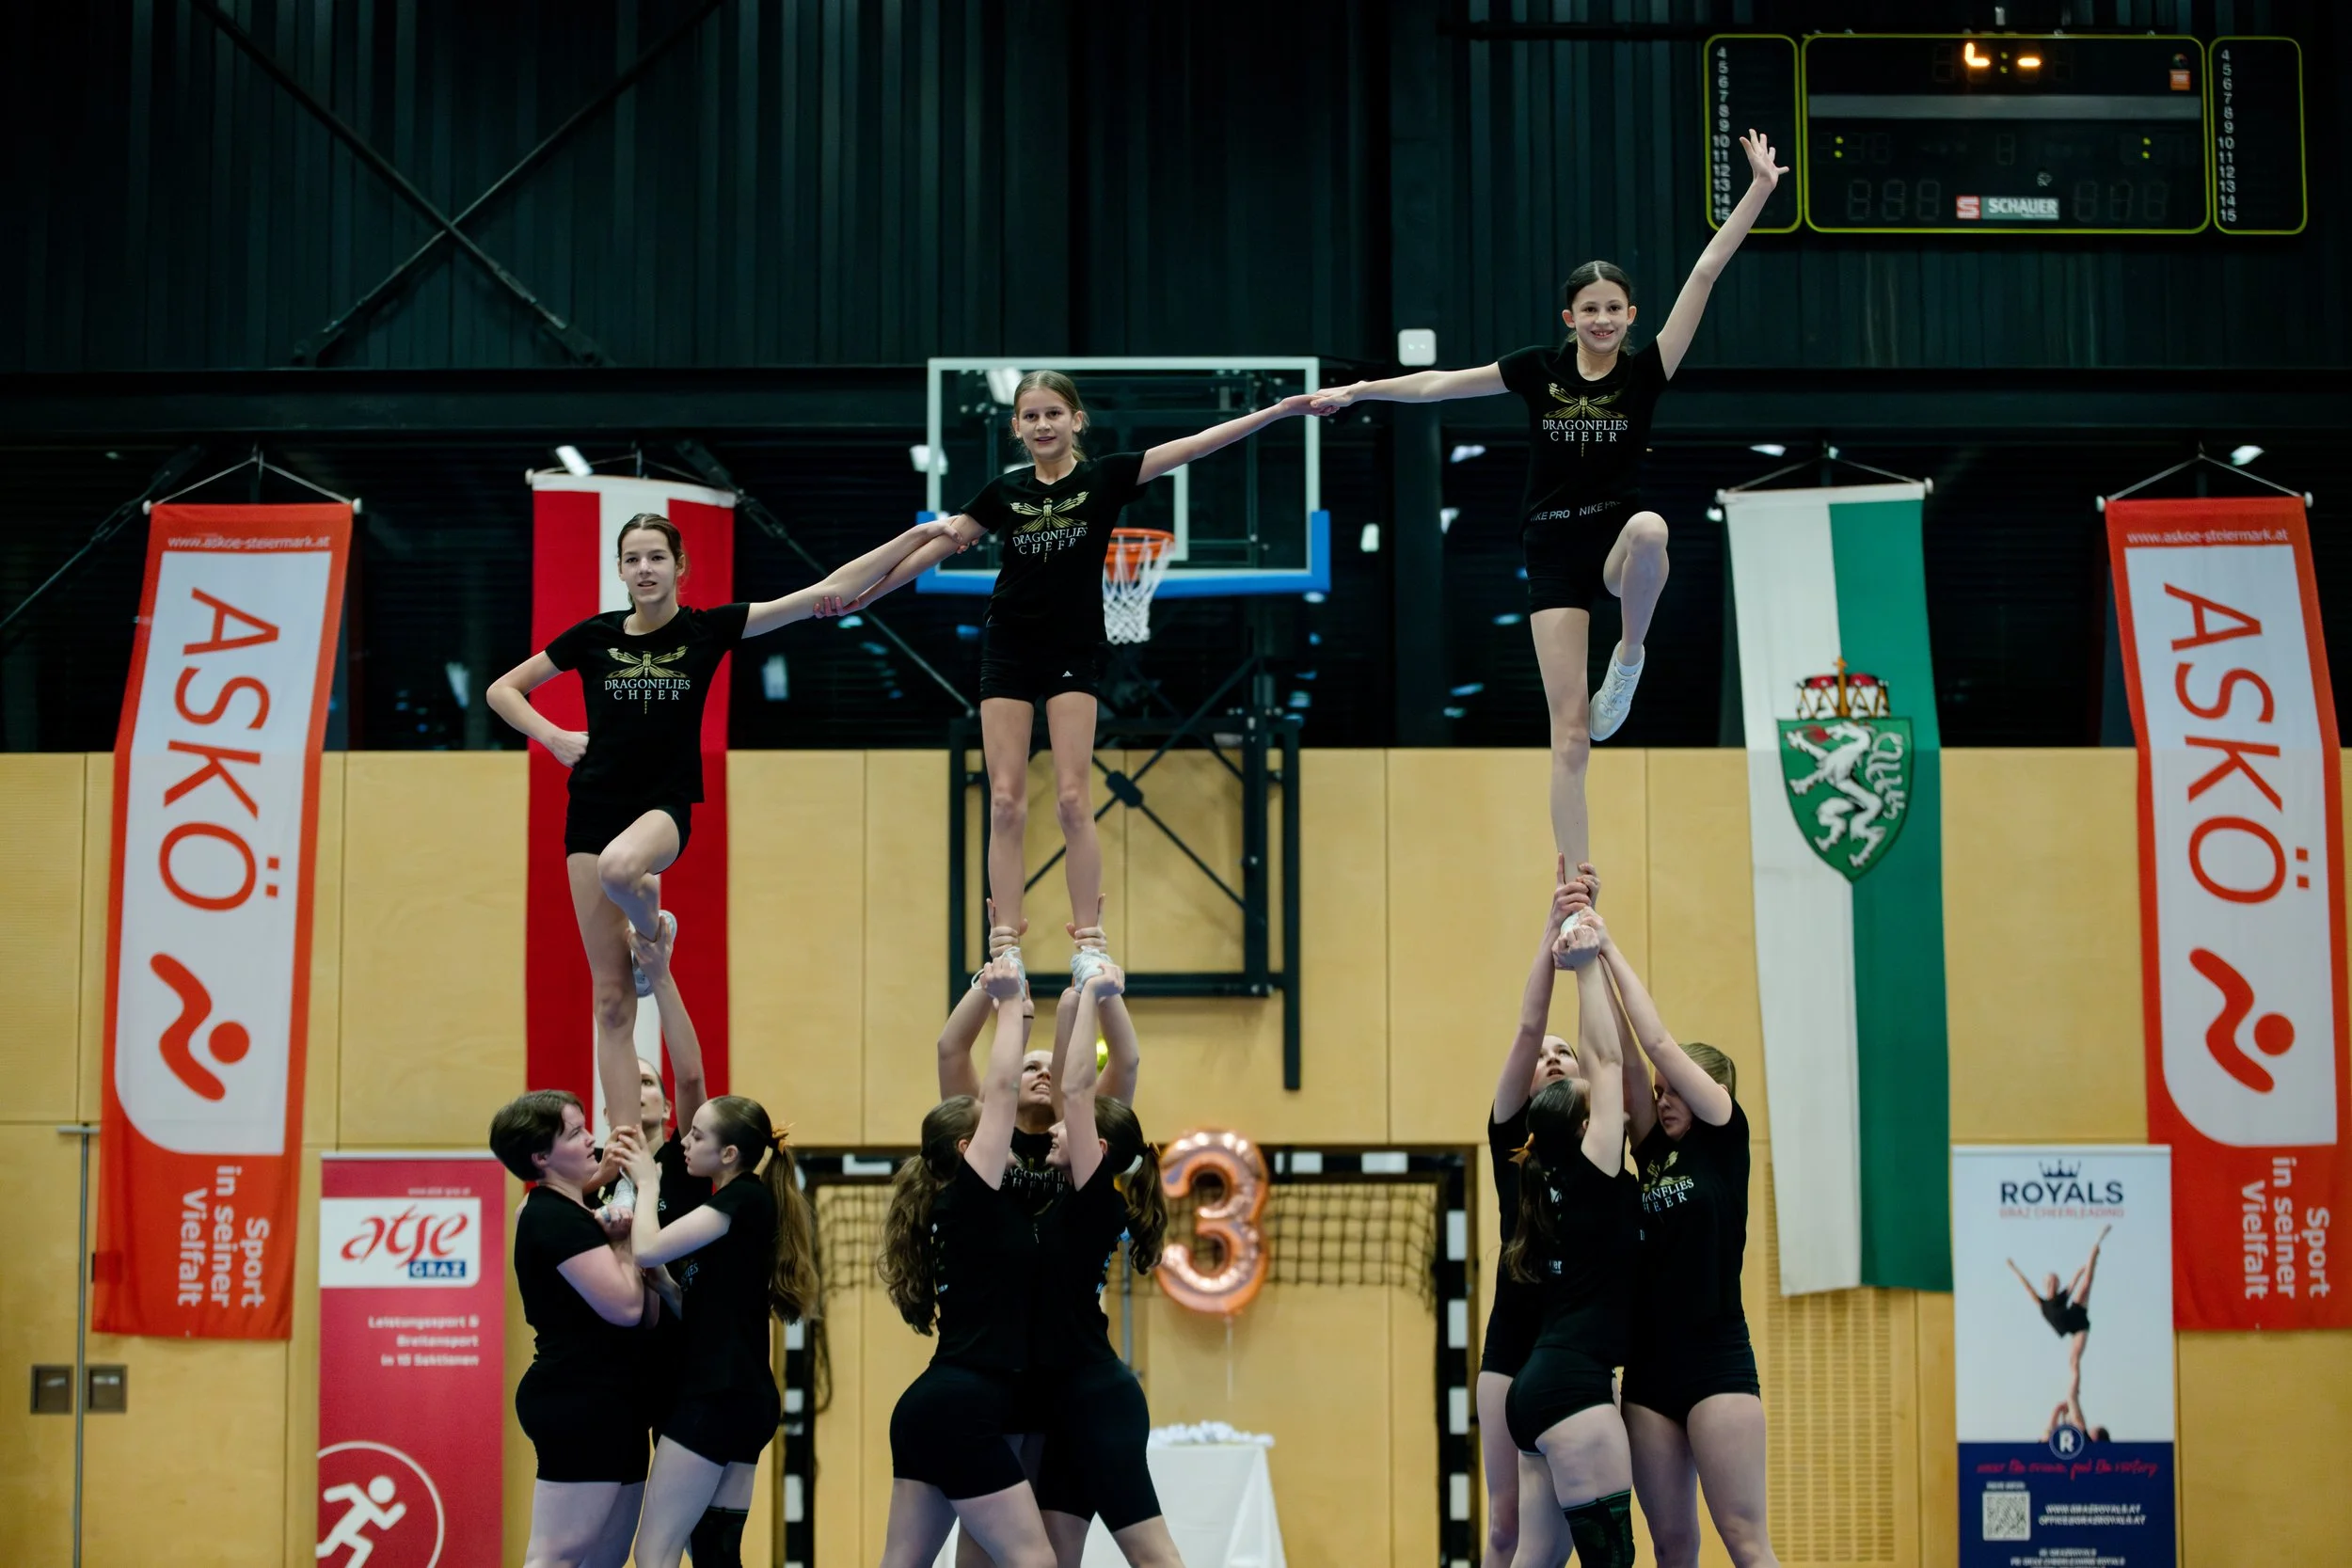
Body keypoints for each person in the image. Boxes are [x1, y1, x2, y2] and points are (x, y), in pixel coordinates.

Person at [1309, 131, 1788, 864]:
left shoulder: (1648, 371)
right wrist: (1359, 390)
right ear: (1570, 317)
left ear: (1632, 315)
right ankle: (1576, 883)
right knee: (1569, 736)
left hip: (1616, 541)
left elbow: (1705, 271)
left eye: (1614, 308)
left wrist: (1757, 189)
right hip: (1553, 550)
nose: (1602, 319)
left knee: (1654, 528)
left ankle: (1629, 655)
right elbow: (1438, 384)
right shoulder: (1538, 370)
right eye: (1589, 308)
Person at [486, 511, 951, 1161]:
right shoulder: (592, 637)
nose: (644, 569)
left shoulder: (708, 629)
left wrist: (918, 536)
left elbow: (828, 592)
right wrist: (553, 736)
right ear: (619, 570)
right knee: (612, 1002)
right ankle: (628, 1155)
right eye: (632, 559)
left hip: (662, 806)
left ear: (679, 566)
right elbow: (502, 690)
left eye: (656, 557)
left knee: (621, 869)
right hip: (591, 807)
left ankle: (651, 930)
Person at [830, 372, 1319, 986]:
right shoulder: (1003, 492)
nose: (1043, 425)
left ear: (1076, 420)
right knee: (1004, 800)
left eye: (1054, 413)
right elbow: (935, 549)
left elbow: (1195, 446)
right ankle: (1004, 941)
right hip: (1009, 646)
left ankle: (1089, 939)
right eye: (1031, 416)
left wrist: (1276, 411)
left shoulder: (1105, 478)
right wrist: (865, 597)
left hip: (1072, 647)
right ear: (1016, 427)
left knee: (1070, 798)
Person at [875, 955, 1057, 1568]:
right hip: (963, 1406)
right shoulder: (974, 1191)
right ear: (967, 1146)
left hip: (937, 1403)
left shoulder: (965, 1200)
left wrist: (1017, 1010)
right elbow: (997, 1088)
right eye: (991, 1128)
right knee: (1035, 1561)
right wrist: (1006, 1003)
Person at [1609, 927, 1775, 1567]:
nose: (1662, 1099)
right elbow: (1628, 1057)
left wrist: (1609, 945)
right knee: (1672, 1546)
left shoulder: (1725, 1139)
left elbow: (1655, 1042)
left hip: (1716, 1360)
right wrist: (1588, 963)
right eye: (1659, 1092)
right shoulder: (1653, 1151)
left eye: (1674, 1088)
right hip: (1649, 1371)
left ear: (1709, 1091)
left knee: (1744, 1539)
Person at [617, 1095, 819, 1568]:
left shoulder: (742, 1196)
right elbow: (714, 1309)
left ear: (729, 1154)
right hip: (742, 1398)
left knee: (653, 1552)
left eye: (697, 1135)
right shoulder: (743, 1202)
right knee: (715, 1552)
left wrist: (647, 1182)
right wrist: (668, 1289)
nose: (685, 1143)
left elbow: (646, 1247)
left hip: (717, 1398)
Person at [1030, 962, 1184, 1566]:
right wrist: (1071, 1001)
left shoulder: (1097, 1200)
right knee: (1055, 1555)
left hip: (1095, 1400)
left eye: (1067, 1127)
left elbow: (1078, 1090)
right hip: (1063, 1400)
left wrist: (1097, 987)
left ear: (1096, 1149)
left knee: (1151, 1554)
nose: (1053, 1130)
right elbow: (1067, 1091)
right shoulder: (1068, 1193)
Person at [1501, 899, 1636, 1568]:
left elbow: (1601, 1072)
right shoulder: (1594, 1170)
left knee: (1537, 1558)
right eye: (1598, 1108)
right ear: (1586, 1128)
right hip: (1574, 1389)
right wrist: (1585, 962)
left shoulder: (1546, 1178)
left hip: (1535, 1392)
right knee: (1612, 1561)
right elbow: (1606, 1060)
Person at [489, 1090, 663, 1568]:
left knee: (606, 1558)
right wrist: (625, 1237)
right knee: (556, 1556)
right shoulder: (549, 1215)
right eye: (575, 1133)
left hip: (617, 1402)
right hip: (580, 1398)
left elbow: (647, 1316)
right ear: (540, 1158)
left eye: (586, 1127)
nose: (591, 1139)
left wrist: (608, 1186)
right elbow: (627, 1307)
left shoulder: (574, 1213)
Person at [1478, 856, 1590, 1568]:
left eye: (1565, 1052)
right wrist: (1554, 931)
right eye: (1543, 1055)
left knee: (1567, 1527)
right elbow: (1527, 1029)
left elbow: (1615, 1054)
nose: (1550, 1056)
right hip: (1513, 1342)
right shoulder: (1511, 1138)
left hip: (1577, 1347)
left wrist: (1594, 950)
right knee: (1505, 1525)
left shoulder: (1604, 1150)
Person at [2008, 1225, 2109, 1401]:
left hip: (2077, 1318)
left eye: (2055, 1282)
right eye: (2050, 1282)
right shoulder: (2042, 1303)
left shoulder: (2062, 1296)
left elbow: (2074, 1281)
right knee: (2073, 1361)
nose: (2052, 1284)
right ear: (2046, 1284)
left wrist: (2084, 1268)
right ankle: (2074, 1392)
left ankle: (2096, 1246)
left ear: (2057, 1284)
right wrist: (2014, 1268)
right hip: (2074, 1329)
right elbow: (2027, 1285)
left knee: (2086, 1285)